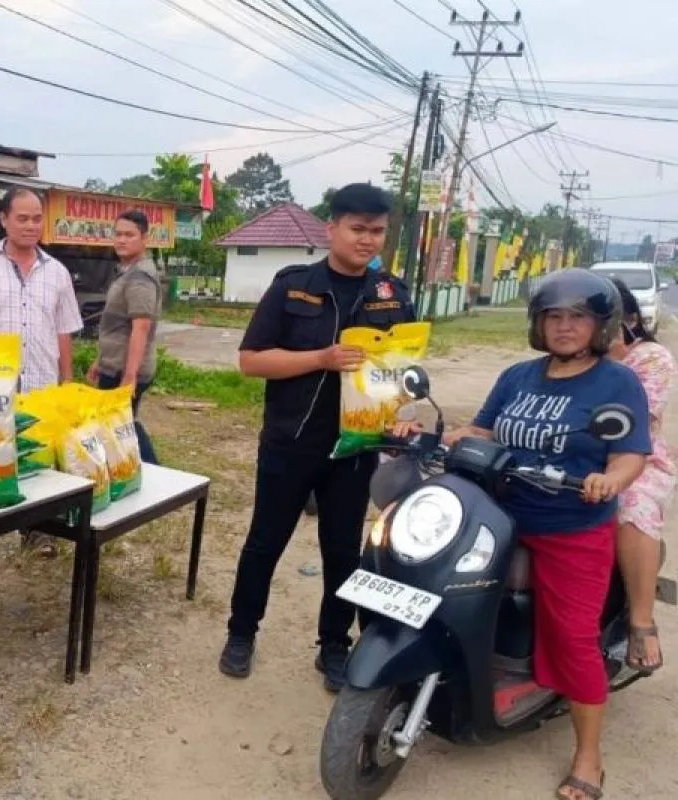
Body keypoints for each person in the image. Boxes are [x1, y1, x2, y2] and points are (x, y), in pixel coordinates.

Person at [407, 269, 650, 800]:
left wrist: (611, 479)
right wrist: (436, 436)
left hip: (570, 526)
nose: (564, 326)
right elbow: (483, 429)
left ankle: (589, 756)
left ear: (600, 325)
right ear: (538, 324)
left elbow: (631, 452)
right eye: (553, 316)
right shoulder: (518, 376)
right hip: (497, 513)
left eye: (577, 317)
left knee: (573, 637)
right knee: (432, 583)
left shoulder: (616, 382)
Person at [218, 183, 416, 691]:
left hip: (355, 449)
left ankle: (334, 645)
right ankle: (241, 633)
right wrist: (321, 359)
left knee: (343, 551)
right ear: (332, 228)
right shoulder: (293, 287)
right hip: (291, 442)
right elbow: (251, 361)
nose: (367, 240)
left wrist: (401, 415)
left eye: (377, 231)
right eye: (357, 229)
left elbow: (402, 374)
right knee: (265, 543)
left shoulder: (392, 296)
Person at [0, 187, 83, 556]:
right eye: (22, 218)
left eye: (37, 219)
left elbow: (63, 331)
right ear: (4, 219)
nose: (30, 226)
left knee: (38, 462)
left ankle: (38, 531)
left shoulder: (57, 272)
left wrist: (66, 382)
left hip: (42, 386)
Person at [608, 276, 674, 673]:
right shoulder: (563, 357)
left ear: (629, 319)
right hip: (568, 455)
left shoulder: (651, 358)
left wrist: (609, 362)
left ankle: (641, 621)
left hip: (636, 457)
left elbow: (636, 420)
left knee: (632, 507)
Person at [86, 209, 161, 465]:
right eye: (118, 234)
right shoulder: (127, 271)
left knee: (121, 424)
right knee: (120, 423)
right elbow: (117, 326)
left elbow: (141, 328)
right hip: (115, 363)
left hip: (125, 369)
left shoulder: (140, 278)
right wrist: (100, 360)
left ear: (144, 238)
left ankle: (153, 470)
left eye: (129, 235)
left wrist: (129, 376)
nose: (121, 240)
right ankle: (133, 470)